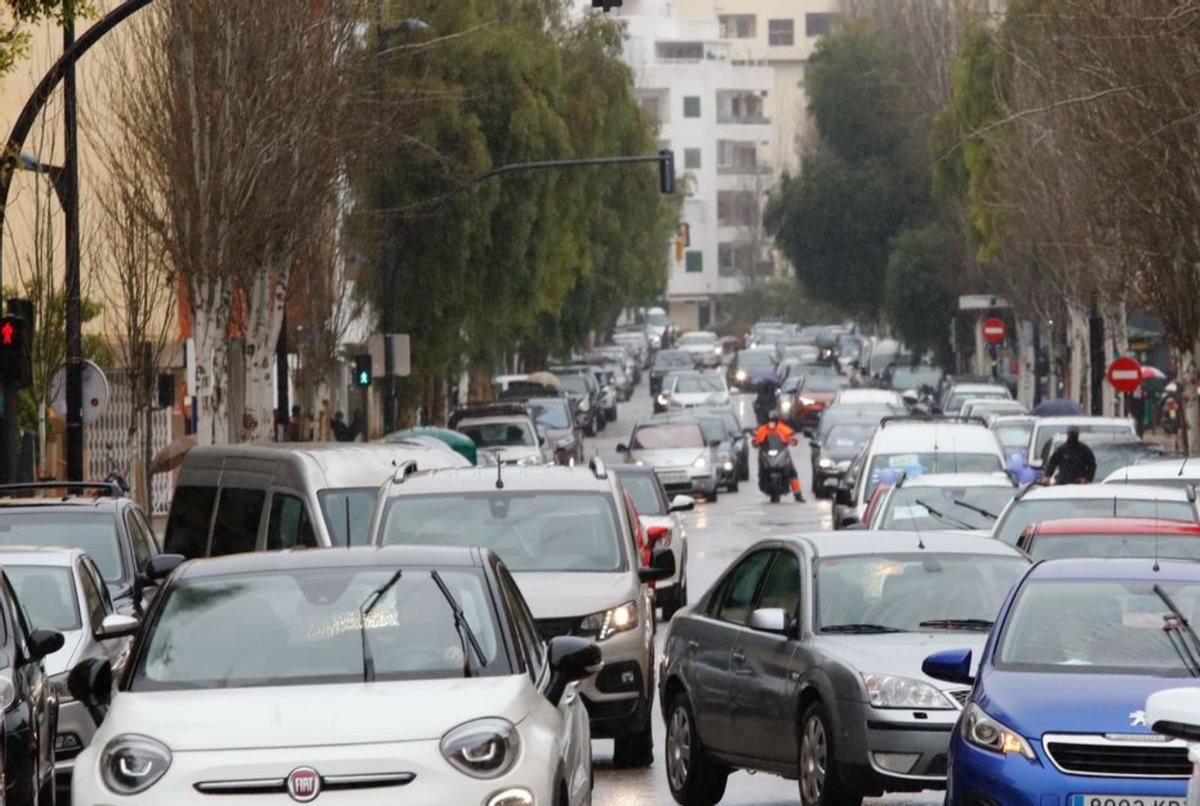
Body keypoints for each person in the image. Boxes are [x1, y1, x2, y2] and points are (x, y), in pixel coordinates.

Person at [752, 411, 805, 502]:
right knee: (761, 468)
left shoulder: (783, 428)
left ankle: (798, 495)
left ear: (777, 421)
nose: (771, 423)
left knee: (792, 472)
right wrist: (755, 442)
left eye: (773, 421)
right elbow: (756, 439)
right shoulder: (762, 429)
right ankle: (763, 481)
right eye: (770, 421)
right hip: (767, 454)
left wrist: (792, 441)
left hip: (781, 454)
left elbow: (791, 436)